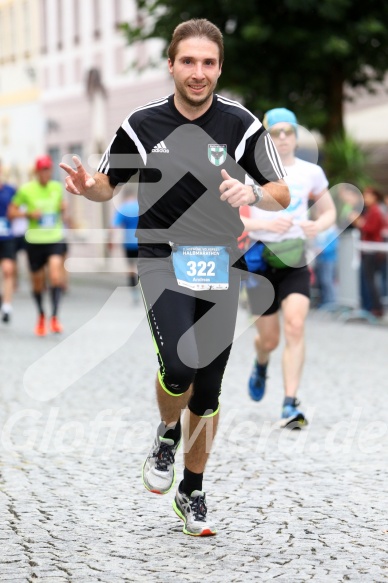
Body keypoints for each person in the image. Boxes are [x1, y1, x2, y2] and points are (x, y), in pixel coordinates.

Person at [60, 18, 290, 536]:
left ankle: (192, 491)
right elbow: (106, 183)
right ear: (171, 64)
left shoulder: (241, 125)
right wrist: (86, 186)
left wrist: (251, 194)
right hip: (163, 258)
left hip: (222, 262)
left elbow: (281, 191)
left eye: (208, 63)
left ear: (219, 67)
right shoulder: (142, 124)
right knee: (181, 366)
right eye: (188, 61)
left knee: (208, 390)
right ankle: (167, 430)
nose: (198, 72)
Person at [242, 108, 336, 428]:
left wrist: (317, 225)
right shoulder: (249, 172)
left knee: (295, 326)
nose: (282, 138)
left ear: (296, 137)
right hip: (257, 261)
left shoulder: (310, 172)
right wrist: (266, 227)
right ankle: (261, 360)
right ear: (265, 137)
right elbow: (231, 219)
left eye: (288, 132)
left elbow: (328, 212)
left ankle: (289, 403)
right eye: (275, 132)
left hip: (295, 258)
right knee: (269, 339)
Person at [8, 155, 67, 336]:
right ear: (37, 172)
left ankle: (55, 317)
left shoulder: (56, 187)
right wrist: (28, 214)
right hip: (34, 241)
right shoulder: (26, 190)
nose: (45, 173)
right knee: (38, 283)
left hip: (54, 238)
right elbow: (11, 211)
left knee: (56, 275)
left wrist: (63, 210)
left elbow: (61, 207)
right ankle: (41, 315)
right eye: (42, 169)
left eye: (48, 169)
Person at [352, 186, 385, 318]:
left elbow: (370, 228)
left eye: (368, 196)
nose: (365, 199)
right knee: (369, 280)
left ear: (375, 197)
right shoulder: (372, 210)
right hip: (368, 250)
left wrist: (359, 223)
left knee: (371, 281)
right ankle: (372, 306)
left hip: (372, 250)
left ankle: (377, 308)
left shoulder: (376, 211)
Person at [109, 185, 139, 302]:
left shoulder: (123, 208)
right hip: (143, 242)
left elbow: (113, 226)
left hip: (129, 243)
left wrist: (110, 241)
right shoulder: (141, 206)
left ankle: (134, 292)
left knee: (131, 268)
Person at [0, 161, 17, 323]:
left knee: (8, 270)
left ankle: (6, 306)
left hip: (6, 237)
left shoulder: (11, 190)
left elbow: (19, 209)